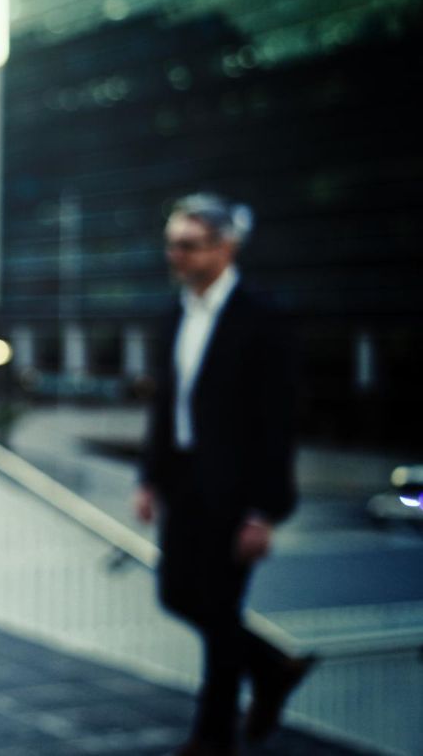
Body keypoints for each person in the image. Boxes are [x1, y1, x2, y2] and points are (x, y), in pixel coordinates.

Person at [134, 193, 311, 756]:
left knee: (219, 607)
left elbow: (277, 423)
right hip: (184, 483)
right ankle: (272, 667)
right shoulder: (173, 317)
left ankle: (213, 738)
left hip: (236, 491)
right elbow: (167, 408)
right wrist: (149, 479)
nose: (175, 256)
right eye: (172, 245)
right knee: (179, 594)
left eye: (187, 245)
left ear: (225, 248)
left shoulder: (262, 320)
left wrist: (264, 511)